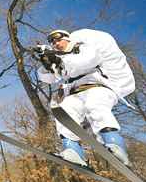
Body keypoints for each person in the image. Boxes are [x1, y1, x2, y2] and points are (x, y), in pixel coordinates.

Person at [36, 29, 135, 166]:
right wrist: (46, 64)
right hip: (74, 92)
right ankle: (73, 150)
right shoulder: (60, 57)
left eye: (59, 40)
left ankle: (113, 142)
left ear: (68, 38)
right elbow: (50, 78)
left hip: (96, 87)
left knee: (95, 105)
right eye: (53, 42)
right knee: (65, 111)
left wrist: (60, 62)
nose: (56, 44)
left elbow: (89, 59)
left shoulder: (82, 47)